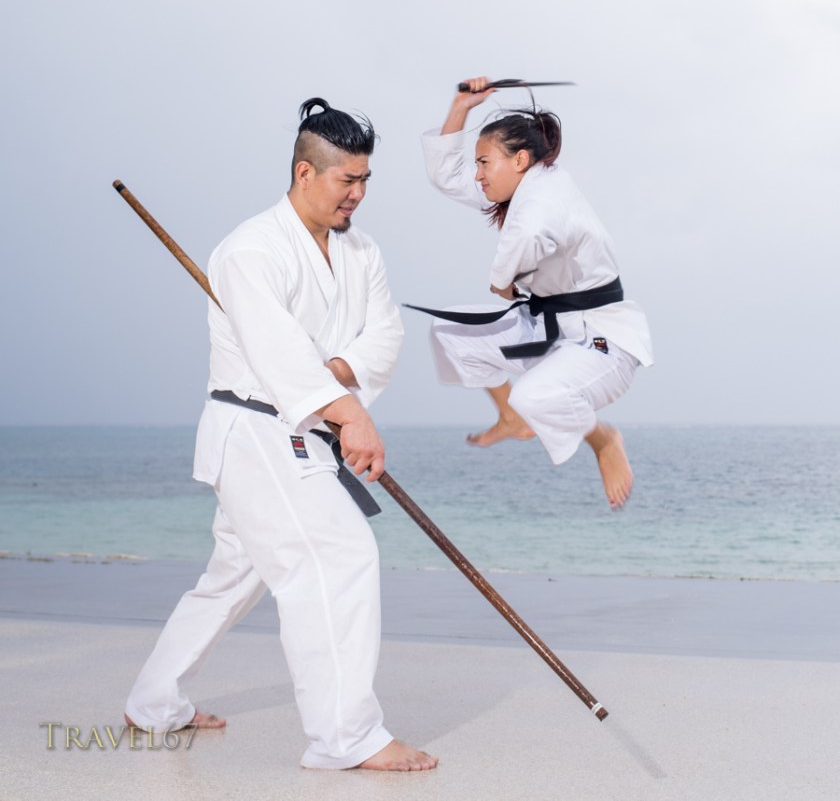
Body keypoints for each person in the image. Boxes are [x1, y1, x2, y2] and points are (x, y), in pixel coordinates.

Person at [124, 98, 437, 772]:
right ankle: (344, 737)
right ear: (304, 172)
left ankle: (152, 703)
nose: (358, 194)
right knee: (339, 556)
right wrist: (348, 412)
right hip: (257, 429)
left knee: (233, 576)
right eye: (346, 180)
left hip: (302, 424)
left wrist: (337, 379)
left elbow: (385, 333)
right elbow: (276, 352)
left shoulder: (362, 250)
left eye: (365, 180)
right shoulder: (250, 249)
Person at [417, 77, 653, 509]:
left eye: (484, 163)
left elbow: (521, 248)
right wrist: (461, 107)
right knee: (448, 332)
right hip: (546, 328)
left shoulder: (543, 199)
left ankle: (603, 439)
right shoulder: (520, 183)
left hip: (602, 342)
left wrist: (502, 281)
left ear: (520, 159)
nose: (477, 174)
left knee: (533, 395)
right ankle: (510, 418)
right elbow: (447, 176)